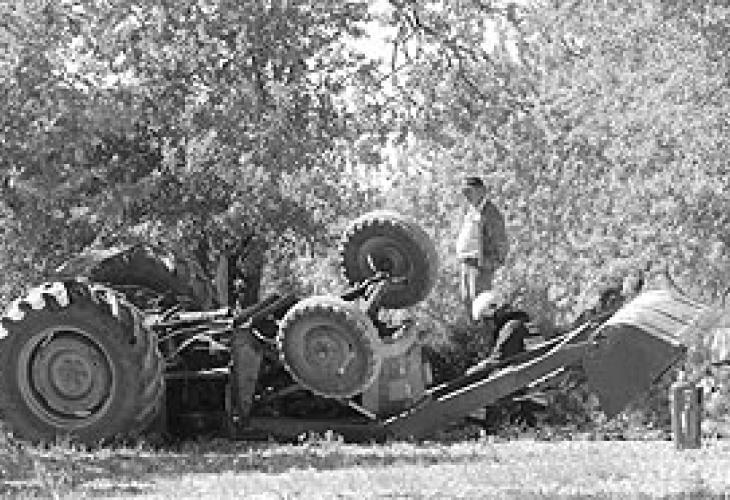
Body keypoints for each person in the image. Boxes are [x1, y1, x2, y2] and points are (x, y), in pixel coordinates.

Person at [456, 176, 509, 320]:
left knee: (481, 305)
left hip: (480, 264)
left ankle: (486, 332)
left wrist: (490, 263)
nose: (466, 196)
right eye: (464, 192)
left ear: (482, 191)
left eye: (469, 191)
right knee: (467, 301)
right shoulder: (470, 210)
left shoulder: (490, 213)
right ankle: (475, 333)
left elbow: (501, 242)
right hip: (466, 262)